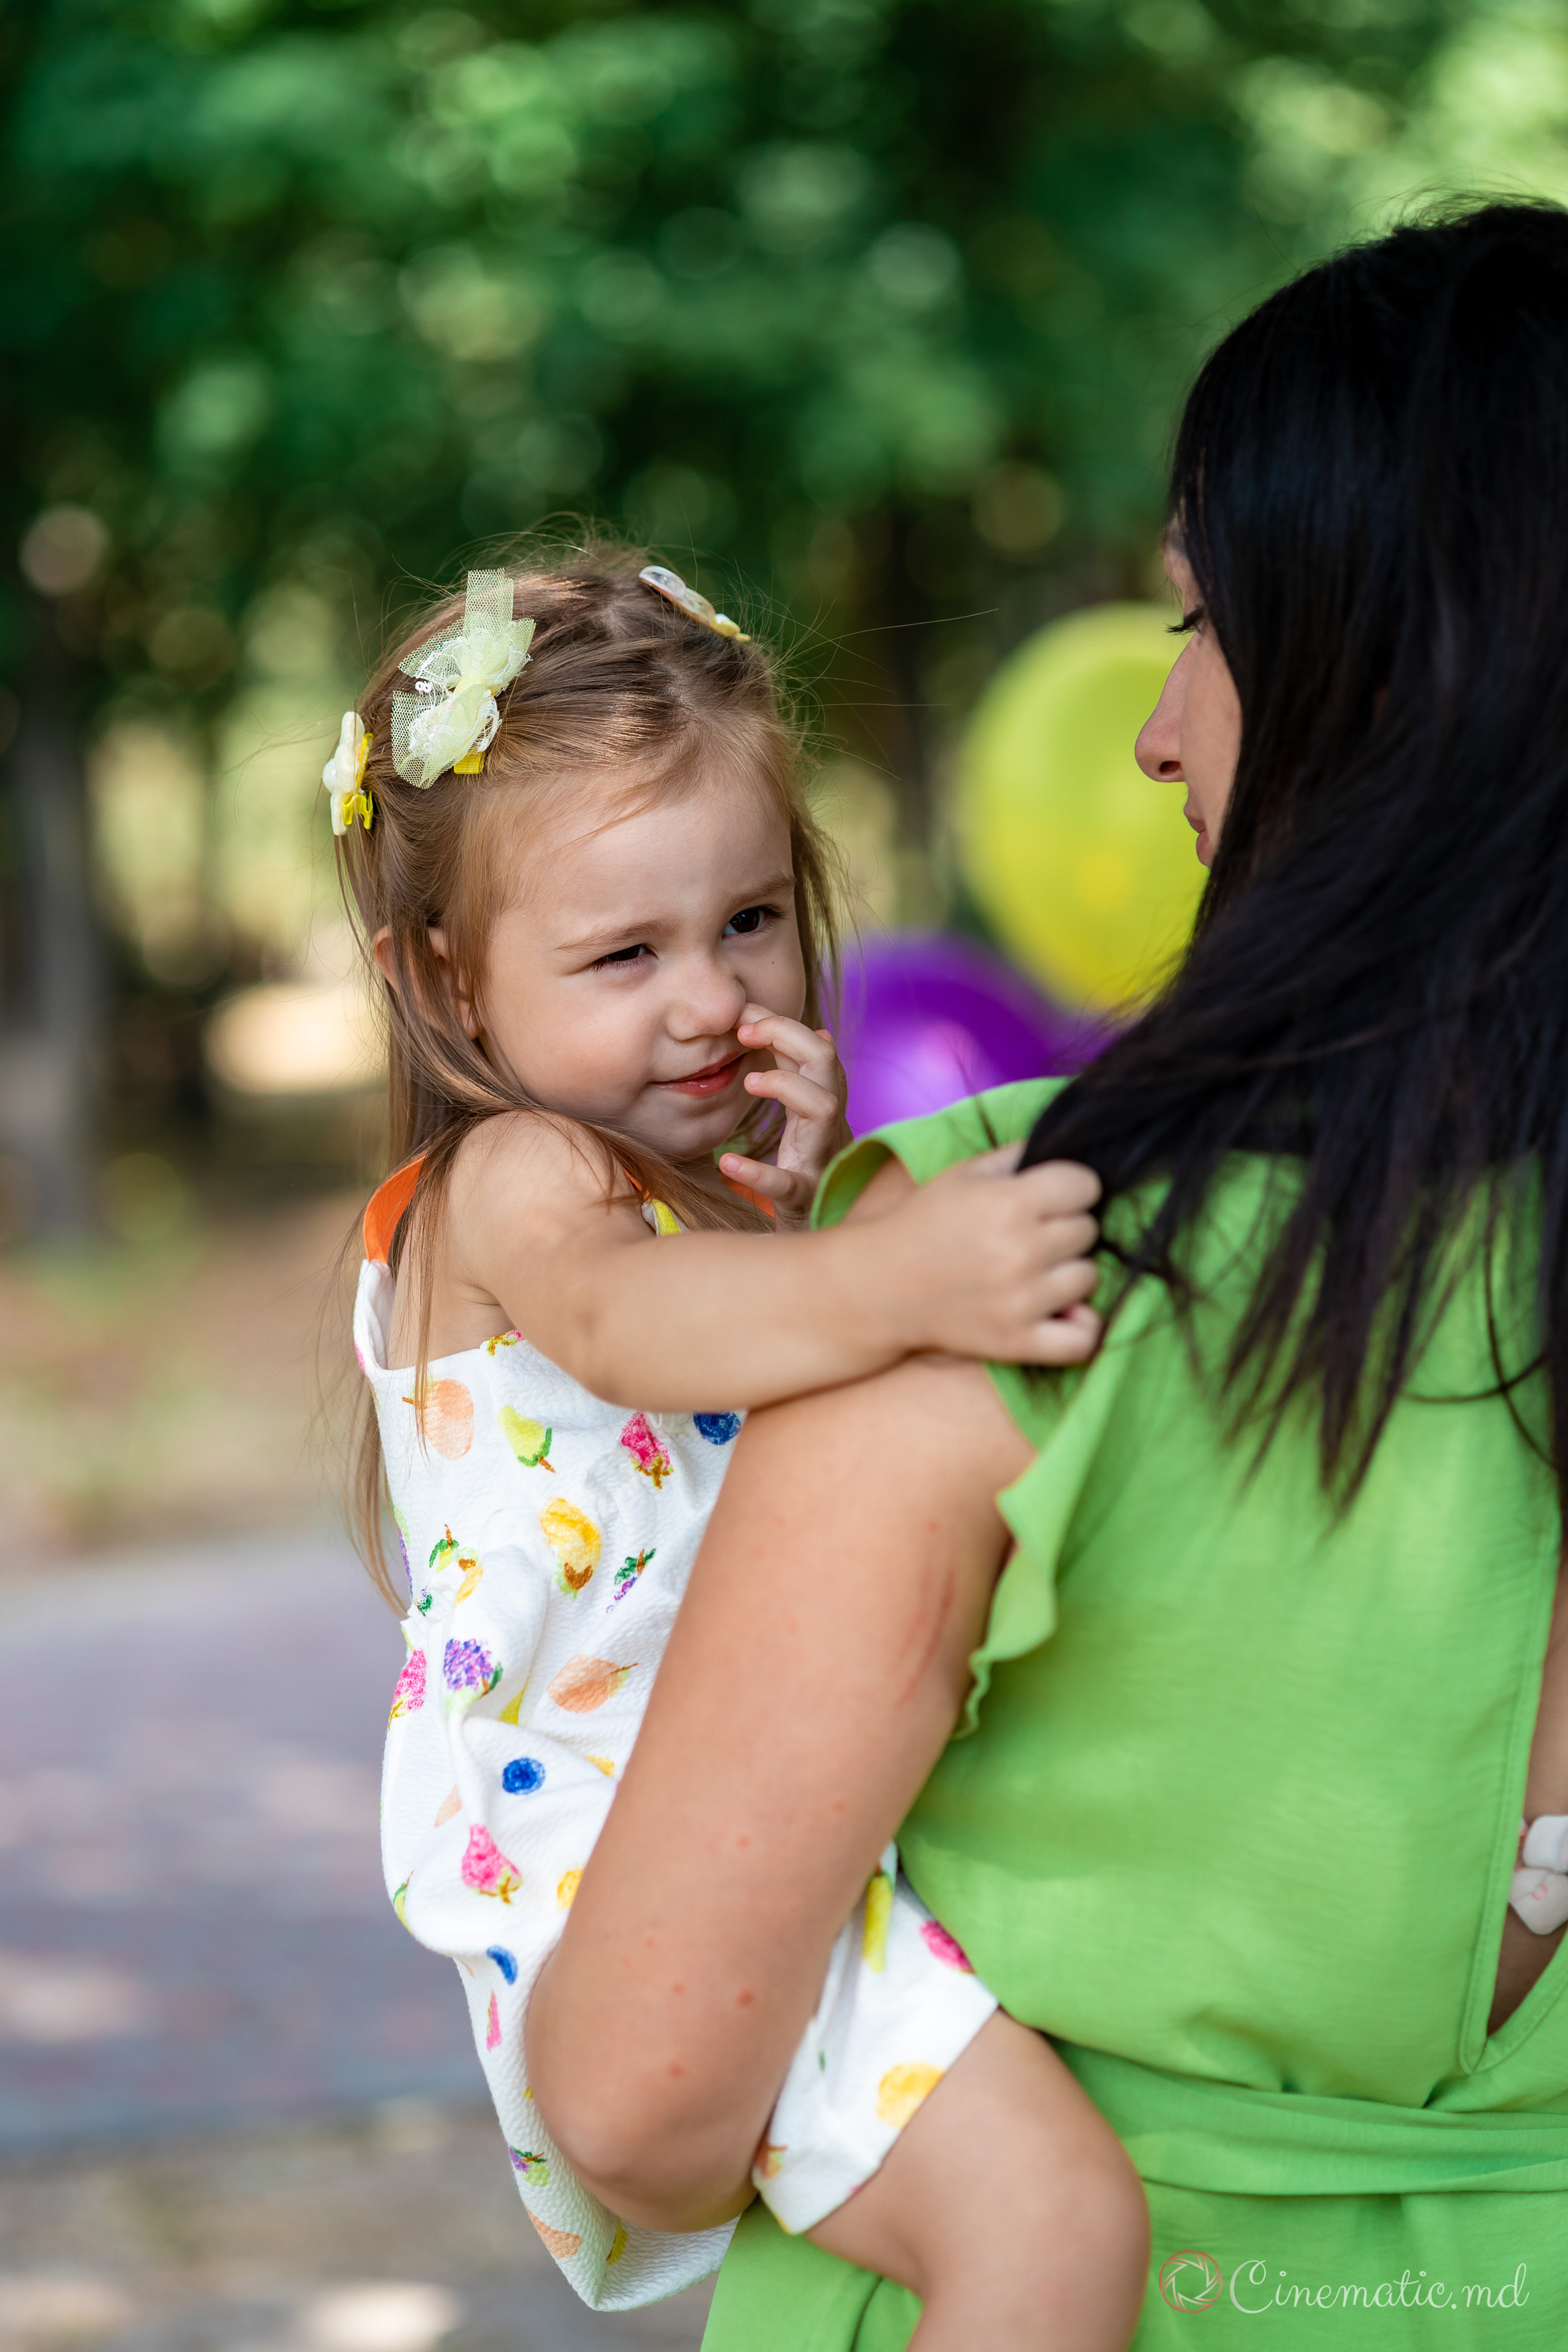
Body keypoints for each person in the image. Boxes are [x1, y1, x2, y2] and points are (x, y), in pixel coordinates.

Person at [524, 203, 1568, 2348]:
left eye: (1207, 626)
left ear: (1392, 670)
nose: (1159, 731)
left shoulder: (999, 1263)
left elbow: (637, 2100)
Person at [331, 549, 1150, 2343]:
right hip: (634, 1845)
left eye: (751, 922)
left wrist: (782, 1242)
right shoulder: (515, 1181)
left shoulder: (665, 1207)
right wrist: (893, 1268)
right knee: (1054, 2234)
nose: (708, 996)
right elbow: (634, 1336)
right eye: (626, 953)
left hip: (729, 1801)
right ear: (450, 985)